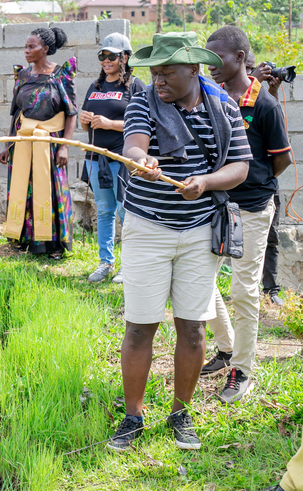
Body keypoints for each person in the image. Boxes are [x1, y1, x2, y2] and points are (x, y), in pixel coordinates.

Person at [108, 32, 251, 452]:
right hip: (148, 228)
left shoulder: (223, 106)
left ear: (193, 69)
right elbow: (134, 146)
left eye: (167, 71)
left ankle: (180, 412)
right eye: (154, 73)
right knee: (140, 327)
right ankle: (133, 416)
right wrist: (142, 161)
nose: (159, 80)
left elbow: (240, 166)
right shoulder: (143, 102)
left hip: (198, 231)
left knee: (192, 329)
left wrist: (205, 183)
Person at [199, 27, 292, 404]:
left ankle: (243, 369)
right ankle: (226, 348)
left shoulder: (264, 104)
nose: (210, 66)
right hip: (217, 204)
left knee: (243, 289)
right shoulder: (210, 99)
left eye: (217, 58)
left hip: (253, 208)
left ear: (240, 57)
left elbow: (281, 159)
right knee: (198, 280)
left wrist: (254, 182)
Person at [0, 27, 76, 258]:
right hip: (22, 143)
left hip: (50, 144)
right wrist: (8, 143)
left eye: (31, 47)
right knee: (24, 188)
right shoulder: (22, 75)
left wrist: (64, 146)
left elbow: (71, 113)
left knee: (51, 190)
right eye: (26, 46)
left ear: (45, 49)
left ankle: (54, 245)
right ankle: (23, 239)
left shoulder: (60, 75)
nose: (26, 50)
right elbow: (16, 114)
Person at [79, 32, 145, 283]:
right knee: (105, 210)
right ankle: (105, 262)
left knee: (124, 211)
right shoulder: (95, 87)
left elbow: (141, 124)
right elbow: (89, 127)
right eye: (102, 55)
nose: (106, 60)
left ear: (125, 57)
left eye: (112, 56)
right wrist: (86, 123)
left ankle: (129, 265)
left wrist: (109, 124)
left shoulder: (135, 86)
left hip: (122, 159)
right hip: (95, 159)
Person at [247, 52, 285, 306]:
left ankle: (270, 288)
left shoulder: (263, 99)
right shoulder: (223, 96)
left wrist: (270, 90)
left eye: (252, 68)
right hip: (237, 186)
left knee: (271, 237)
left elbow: (270, 125)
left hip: (265, 183)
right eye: (248, 69)